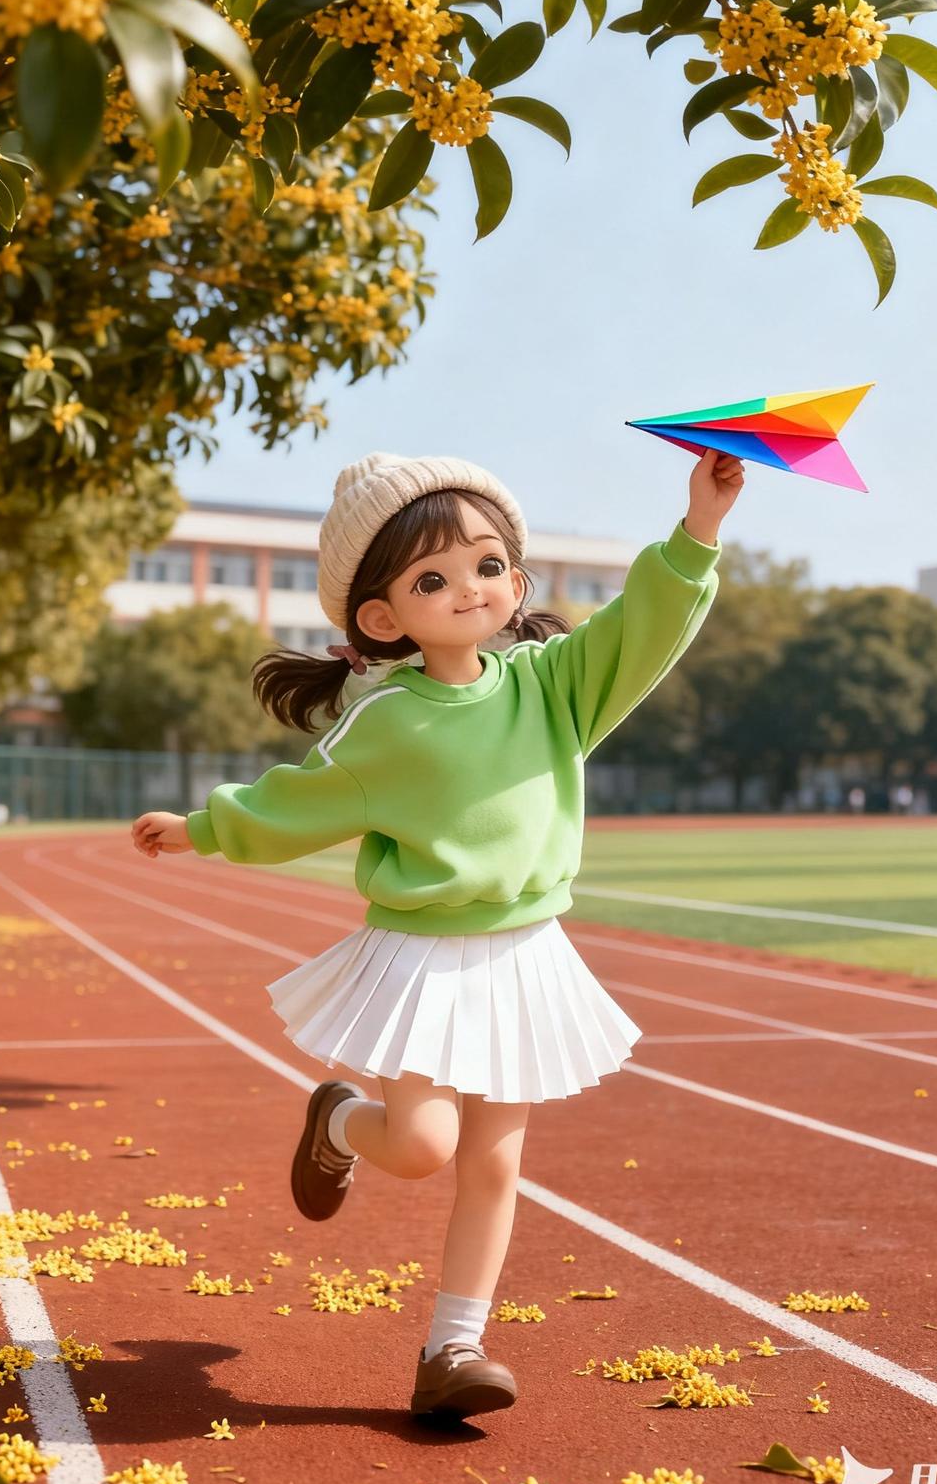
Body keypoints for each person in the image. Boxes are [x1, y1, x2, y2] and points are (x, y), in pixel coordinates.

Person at [130, 446, 742, 1423]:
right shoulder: (384, 722)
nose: (470, 588)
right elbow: (296, 802)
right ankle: (335, 1119)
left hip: (524, 951)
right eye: (433, 578)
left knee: (493, 1162)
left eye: (488, 565)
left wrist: (696, 528)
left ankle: (452, 1345)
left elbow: (642, 629)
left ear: (514, 578)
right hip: (421, 955)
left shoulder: (552, 683)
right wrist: (200, 828)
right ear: (382, 617)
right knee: (418, 1145)